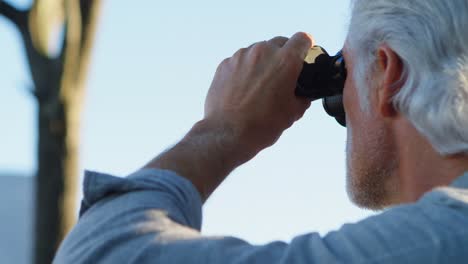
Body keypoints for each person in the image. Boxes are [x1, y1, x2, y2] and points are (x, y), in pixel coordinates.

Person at [54, 0, 468, 263]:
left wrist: (222, 129)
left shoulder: (441, 239)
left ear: (385, 74)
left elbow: (104, 252)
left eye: (341, 78)